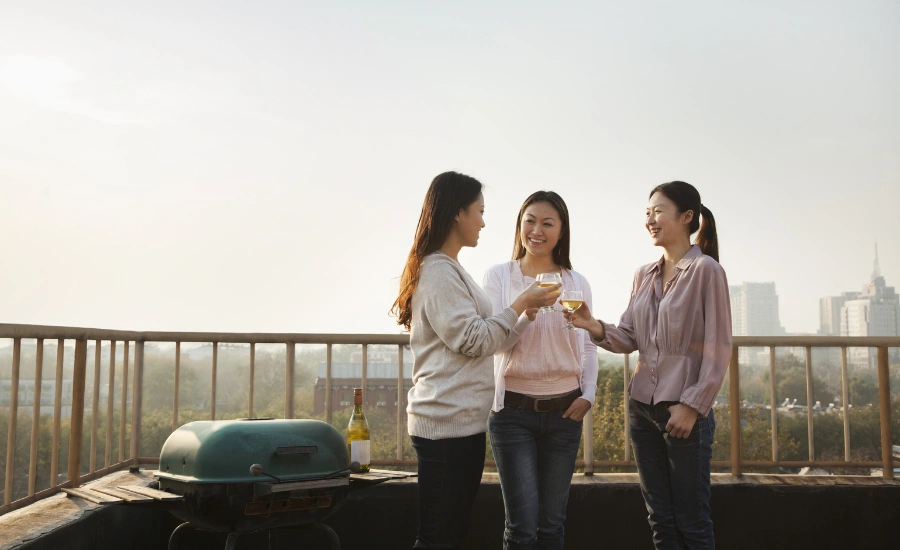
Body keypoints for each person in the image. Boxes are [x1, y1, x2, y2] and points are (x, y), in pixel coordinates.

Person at [391, 171, 560, 550]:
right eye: (479, 211)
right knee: (438, 538)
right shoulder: (439, 272)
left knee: (448, 534)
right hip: (445, 426)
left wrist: (523, 317)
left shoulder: (450, 269)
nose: (483, 222)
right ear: (457, 213)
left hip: (459, 424)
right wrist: (520, 302)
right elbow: (473, 339)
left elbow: (488, 341)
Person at [564, 181, 731, 549]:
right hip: (641, 409)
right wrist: (592, 325)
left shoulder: (706, 270)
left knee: (692, 520)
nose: (650, 220)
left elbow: (719, 347)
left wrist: (692, 406)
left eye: (658, 212)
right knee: (660, 519)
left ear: (687, 217)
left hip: (683, 412)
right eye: (647, 213)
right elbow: (629, 337)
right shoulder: (644, 274)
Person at [482, 191, 597, 550]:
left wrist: (589, 394)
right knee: (521, 528)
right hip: (512, 413)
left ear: (561, 231)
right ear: (519, 226)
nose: (537, 230)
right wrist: (525, 313)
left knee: (551, 525)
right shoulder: (500, 276)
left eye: (548, 223)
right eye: (529, 221)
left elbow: (588, 344)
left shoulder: (576, 282)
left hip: (565, 413)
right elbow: (495, 344)